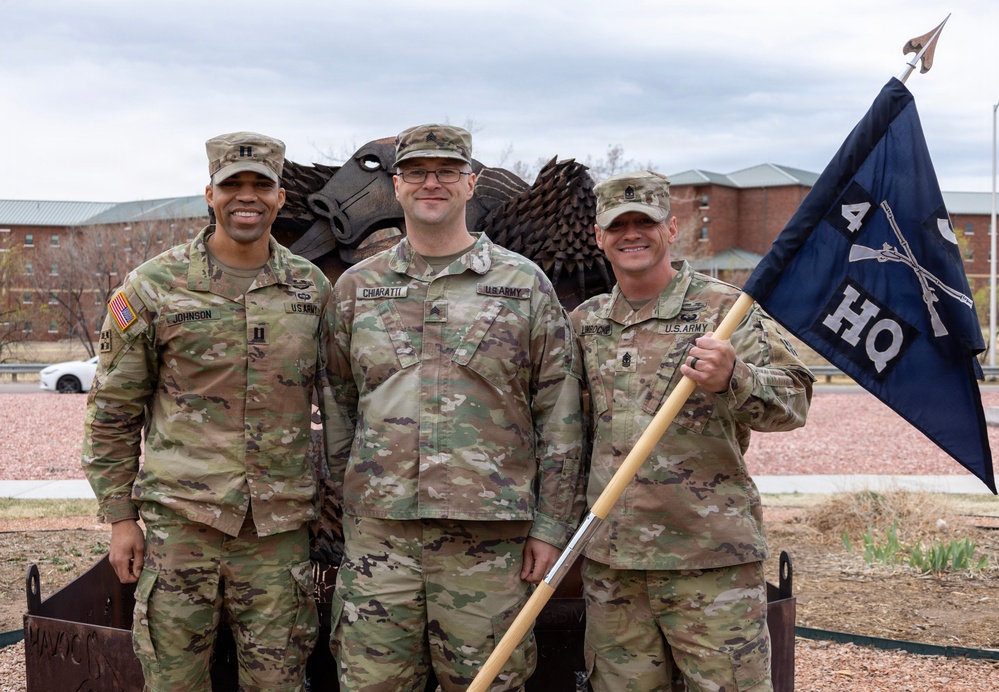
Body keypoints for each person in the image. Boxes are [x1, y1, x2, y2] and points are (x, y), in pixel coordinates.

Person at [324, 123, 584, 691]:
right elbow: (338, 402)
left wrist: (550, 527)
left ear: (471, 184)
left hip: (489, 546)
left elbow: (560, 415)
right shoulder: (357, 288)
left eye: (447, 171)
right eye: (416, 171)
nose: (431, 183)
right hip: (380, 541)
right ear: (396, 186)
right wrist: (353, 500)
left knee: (489, 685)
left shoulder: (523, 284)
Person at [82, 131, 330, 691]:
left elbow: (338, 402)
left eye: (261, 185)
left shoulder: (309, 288)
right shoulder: (154, 286)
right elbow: (113, 410)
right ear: (209, 195)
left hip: (278, 532)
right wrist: (121, 517)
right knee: (175, 682)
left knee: (280, 682)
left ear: (281, 197)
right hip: (181, 527)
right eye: (232, 186)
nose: (248, 197)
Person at [570, 170, 813, 692]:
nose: (631, 234)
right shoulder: (585, 324)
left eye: (646, 222)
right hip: (614, 563)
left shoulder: (726, 312)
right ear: (599, 237)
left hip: (709, 561)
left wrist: (734, 378)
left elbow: (794, 402)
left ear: (672, 227)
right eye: (618, 226)